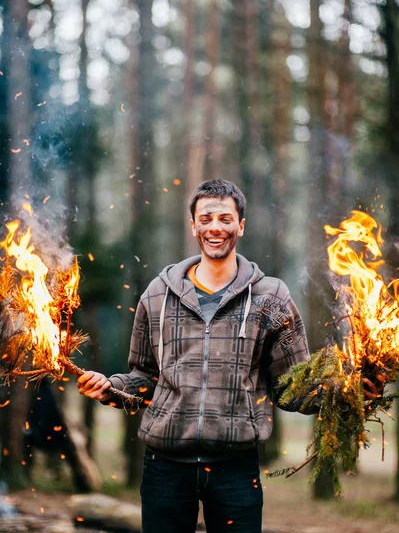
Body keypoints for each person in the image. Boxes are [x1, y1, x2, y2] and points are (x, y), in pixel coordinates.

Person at [77, 178, 384, 533]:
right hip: (165, 467)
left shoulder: (271, 298)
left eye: (225, 218)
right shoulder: (157, 295)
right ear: (193, 226)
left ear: (241, 225)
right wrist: (109, 387)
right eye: (206, 219)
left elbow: (292, 386)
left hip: (236, 469)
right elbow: (146, 378)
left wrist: (346, 390)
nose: (215, 227)